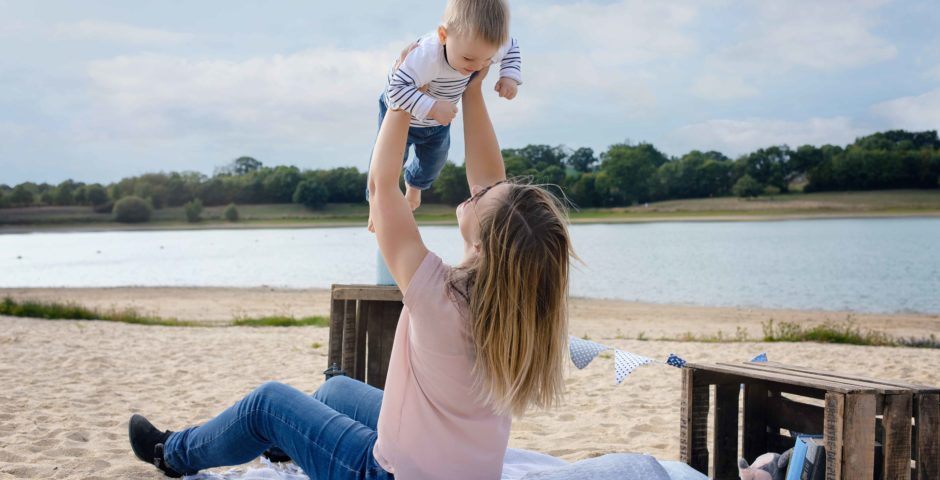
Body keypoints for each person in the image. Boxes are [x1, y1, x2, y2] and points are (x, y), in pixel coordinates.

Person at [128, 60, 570, 480]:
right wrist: (471, 90)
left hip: (387, 474)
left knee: (267, 403)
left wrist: (402, 94)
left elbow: (382, 187)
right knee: (336, 391)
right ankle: (288, 445)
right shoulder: (522, 308)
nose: (477, 192)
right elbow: (491, 186)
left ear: (482, 244)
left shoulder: (440, 297)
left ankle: (171, 453)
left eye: (482, 197)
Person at [366, 0, 522, 218]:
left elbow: (512, 47)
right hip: (407, 114)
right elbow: (395, 92)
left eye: (487, 59)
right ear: (443, 36)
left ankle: (414, 187)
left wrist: (510, 76)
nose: (477, 66)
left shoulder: (484, 46)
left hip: (438, 121)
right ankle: (376, 207)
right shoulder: (426, 56)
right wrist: (431, 106)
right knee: (387, 164)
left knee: (436, 160)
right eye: (468, 58)